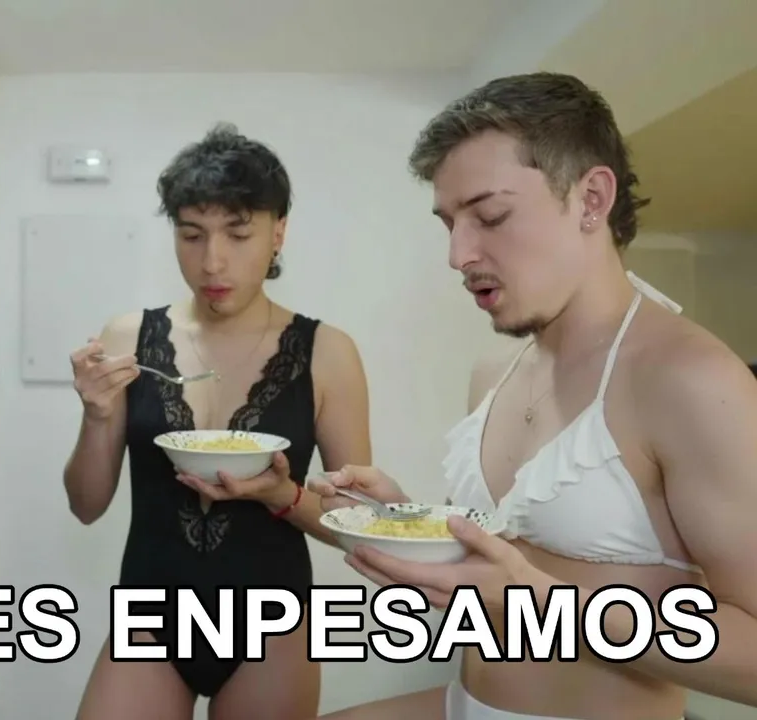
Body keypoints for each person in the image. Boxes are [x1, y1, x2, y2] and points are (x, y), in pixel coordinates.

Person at [310, 72, 757, 720]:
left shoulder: (691, 380)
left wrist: (544, 606)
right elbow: (508, 560)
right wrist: (406, 523)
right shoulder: (493, 371)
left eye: (490, 217)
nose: (458, 253)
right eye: (449, 224)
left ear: (591, 199)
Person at [65, 123, 373, 720]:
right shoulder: (128, 337)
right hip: (150, 616)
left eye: (238, 233)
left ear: (278, 232)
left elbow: (358, 525)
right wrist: (97, 414)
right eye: (191, 235)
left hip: (274, 624)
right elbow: (85, 505)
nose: (212, 261)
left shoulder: (329, 352)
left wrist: (281, 494)